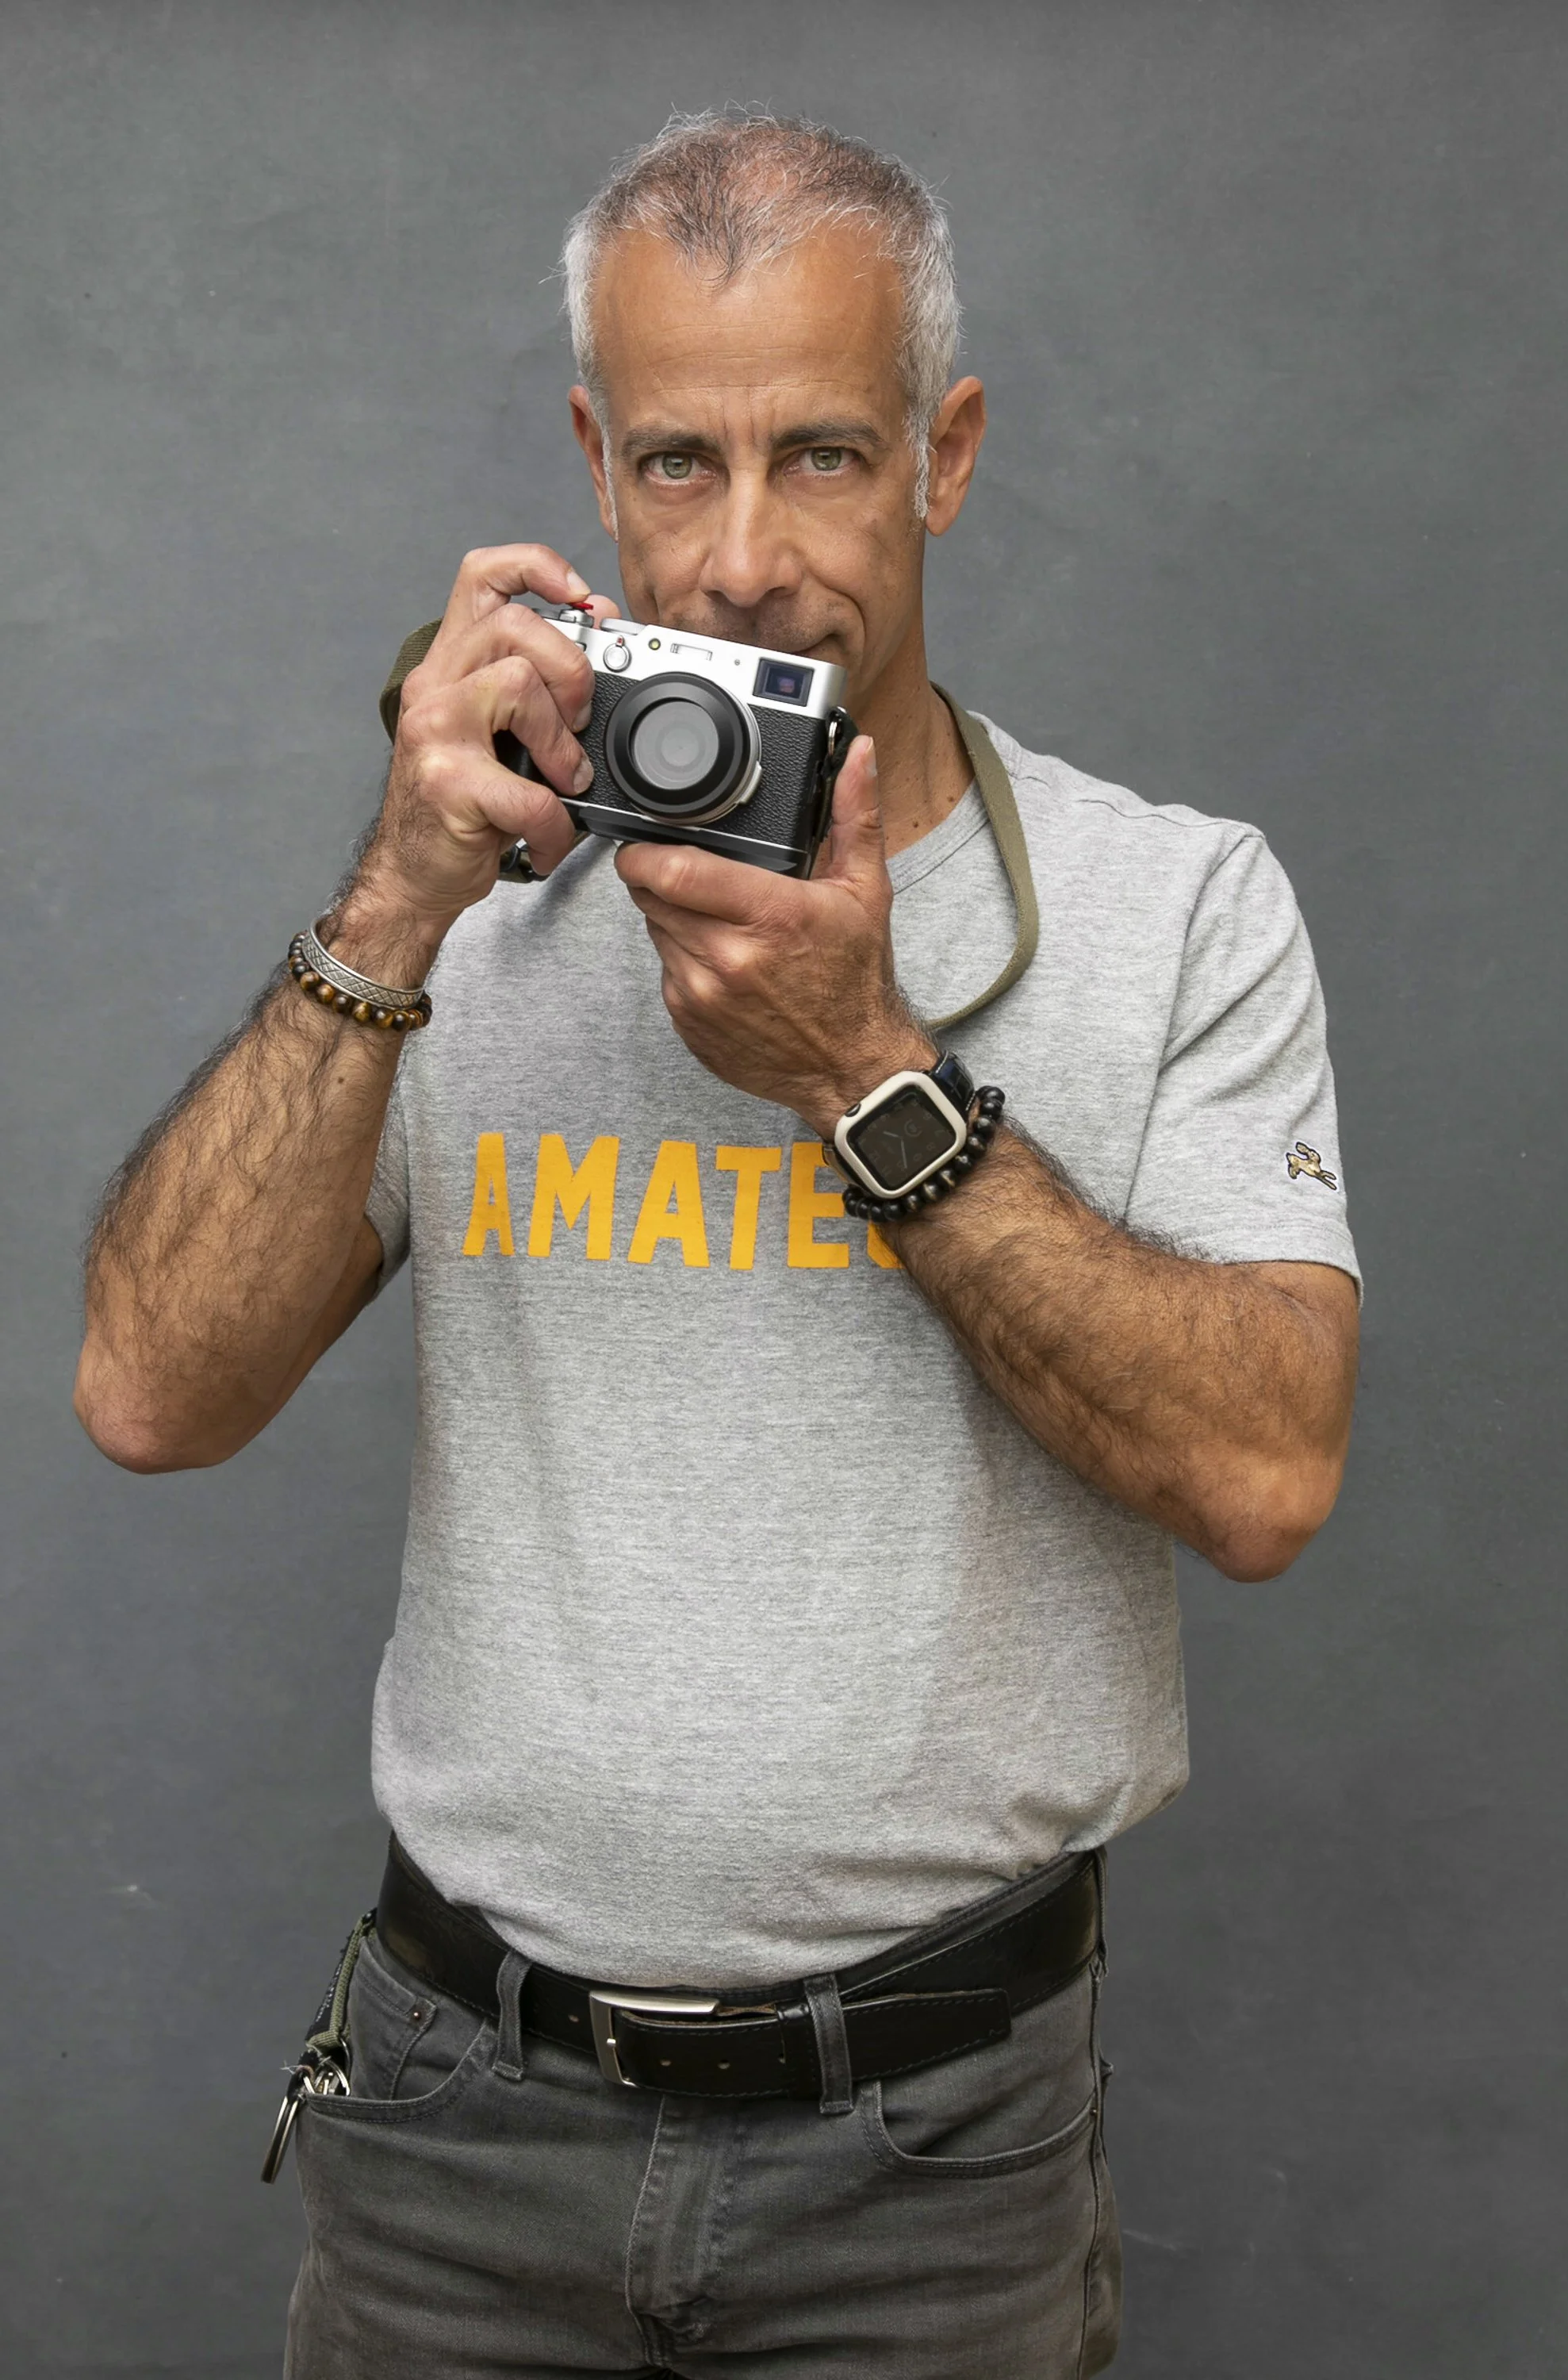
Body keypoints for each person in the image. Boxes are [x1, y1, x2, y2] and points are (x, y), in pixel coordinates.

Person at [75, 113, 1360, 2380]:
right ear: (592, 460)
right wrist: (390, 903)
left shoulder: (1180, 907)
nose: (746, 561)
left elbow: (1265, 1474)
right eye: (679, 465)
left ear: (946, 456)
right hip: (458, 2112)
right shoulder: (468, 893)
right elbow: (149, 1394)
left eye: (826, 459)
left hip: (934, 2152)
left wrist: (871, 1074)